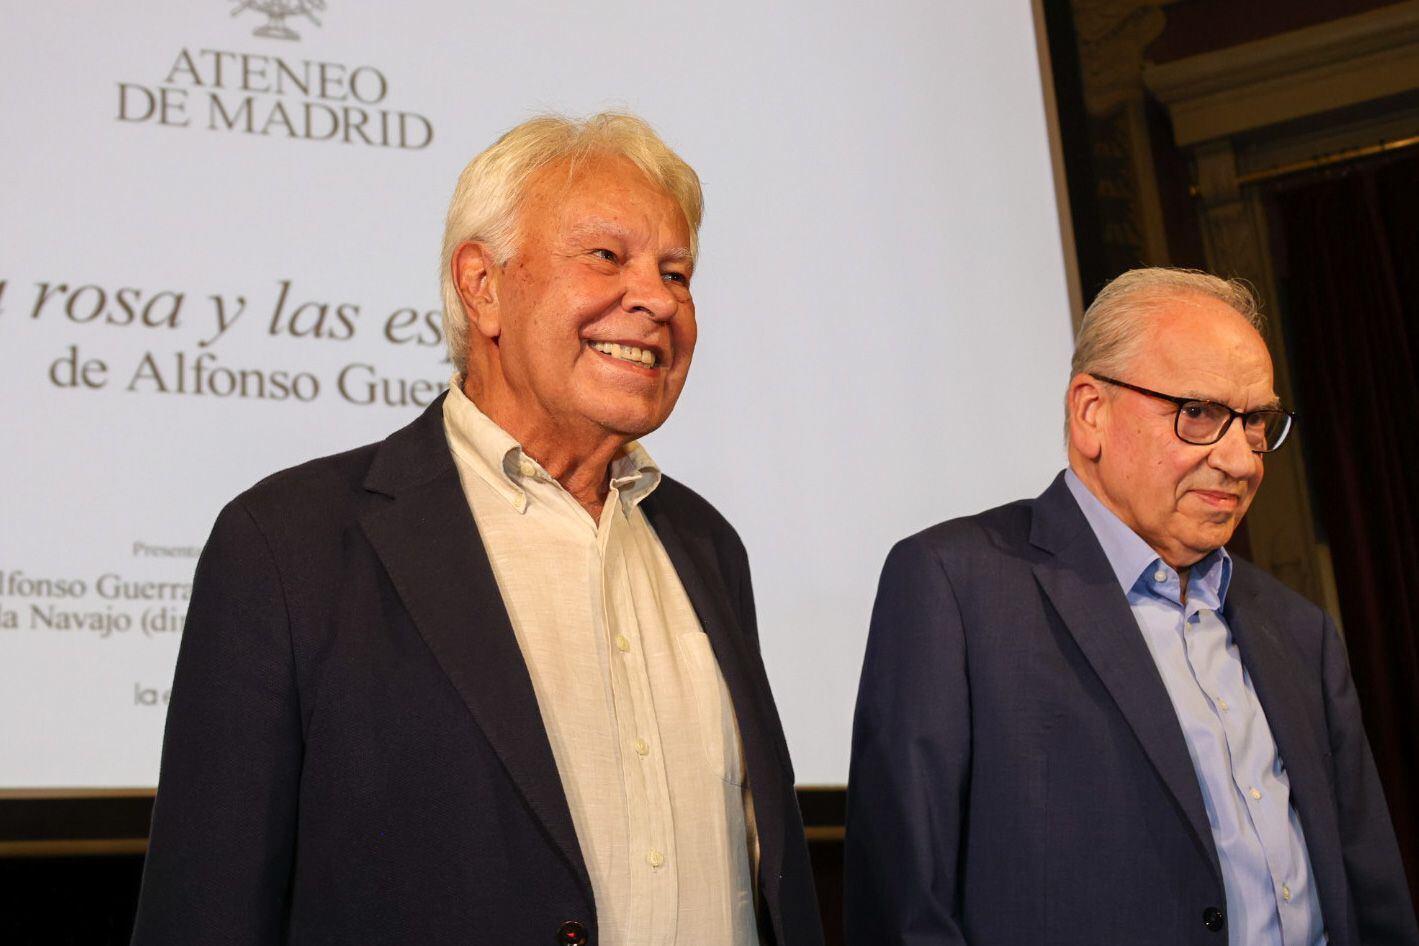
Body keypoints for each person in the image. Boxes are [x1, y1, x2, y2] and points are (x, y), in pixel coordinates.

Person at [132, 112, 824, 946]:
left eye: (676, 272)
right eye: (607, 256)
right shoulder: (288, 546)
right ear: (482, 285)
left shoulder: (707, 544)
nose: (657, 299)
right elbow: (205, 912)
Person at [845, 268, 1418, 946]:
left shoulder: (1297, 629)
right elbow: (903, 906)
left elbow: (1371, 893)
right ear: (1091, 412)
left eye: (1255, 421)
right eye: (1199, 414)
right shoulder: (956, 585)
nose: (1240, 460)